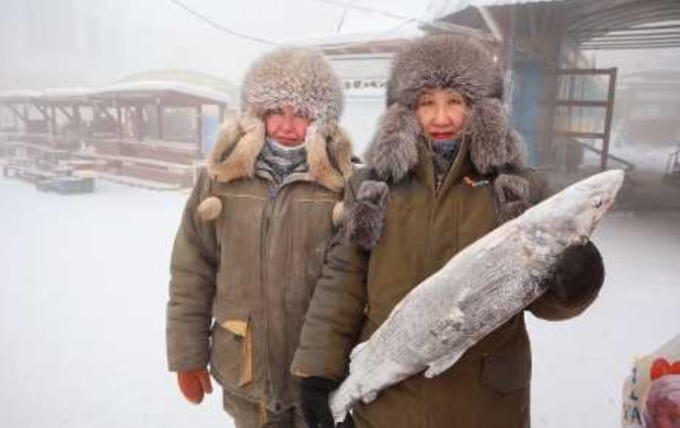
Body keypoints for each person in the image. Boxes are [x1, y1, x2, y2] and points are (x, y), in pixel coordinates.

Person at [291, 34, 605, 428]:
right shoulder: (373, 187)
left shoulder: (519, 189)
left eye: (455, 101)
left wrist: (575, 281)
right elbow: (344, 280)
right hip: (391, 400)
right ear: (405, 111)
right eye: (427, 103)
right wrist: (318, 371)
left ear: (481, 109)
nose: (442, 118)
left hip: (485, 403)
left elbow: (541, 301)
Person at [166, 47, 354, 428]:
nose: (286, 125)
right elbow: (191, 271)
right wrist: (187, 355)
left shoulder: (345, 186)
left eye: (301, 114)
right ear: (256, 115)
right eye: (275, 112)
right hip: (245, 370)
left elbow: (359, 285)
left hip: (319, 375)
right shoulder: (219, 181)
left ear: (322, 121)